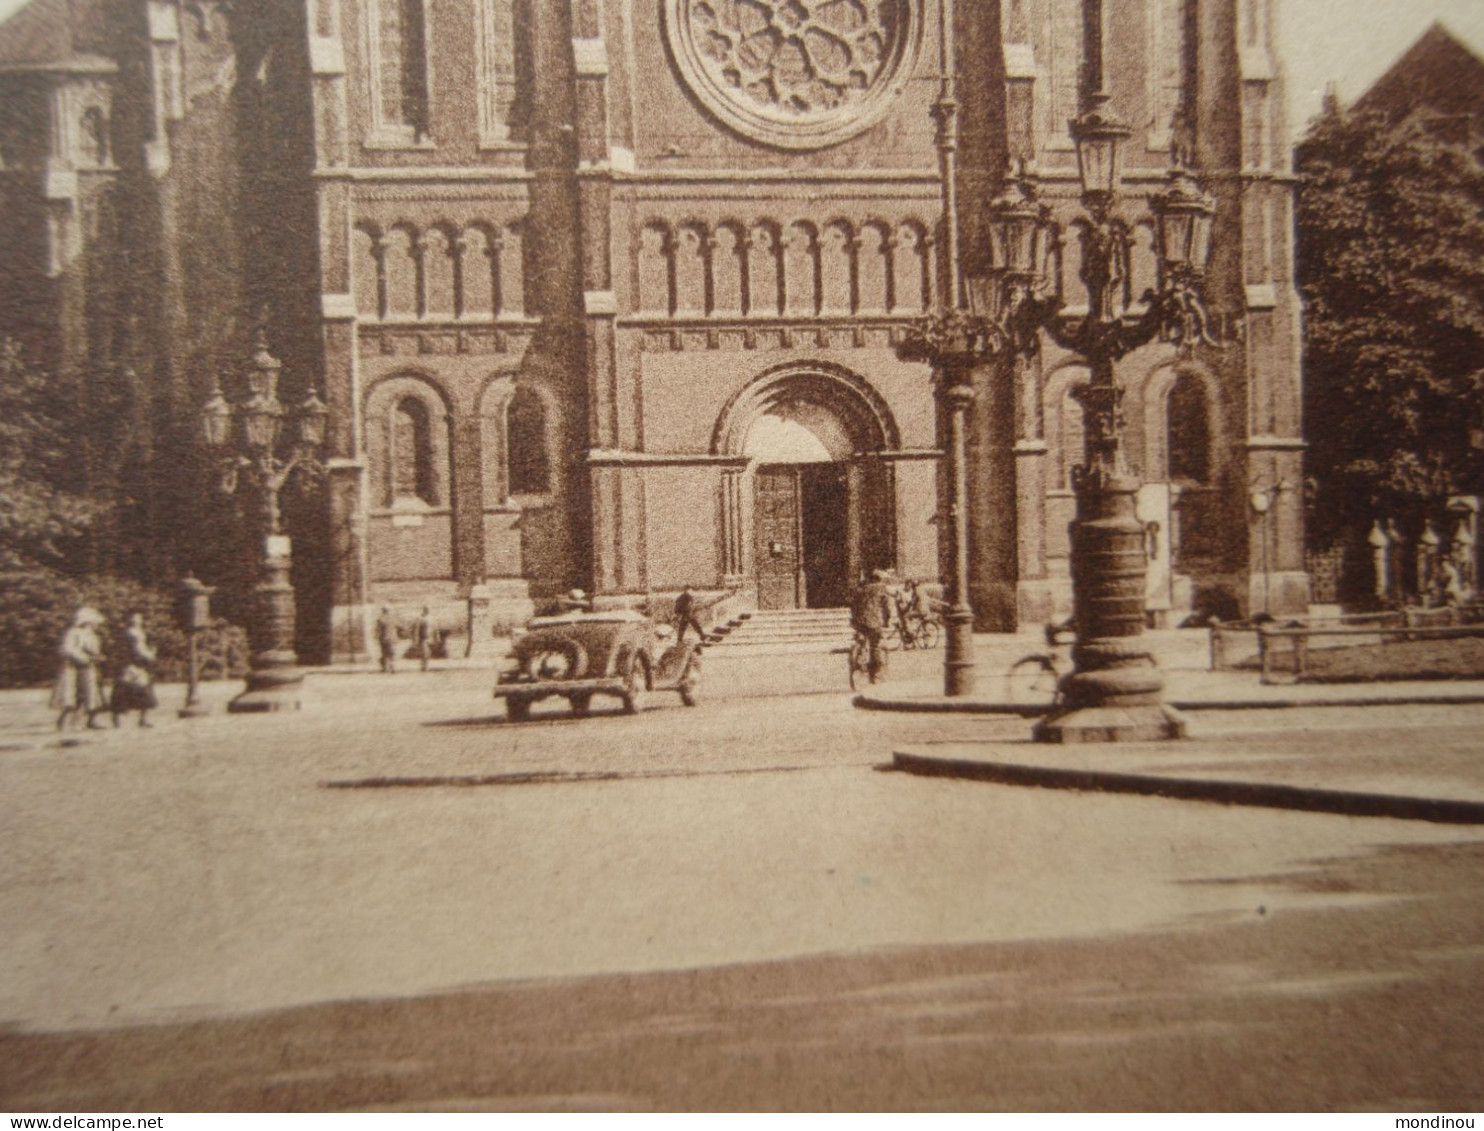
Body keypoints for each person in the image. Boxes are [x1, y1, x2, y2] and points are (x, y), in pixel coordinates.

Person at [52, 607, 106, 731]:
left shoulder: (92, 635)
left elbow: (94, 651)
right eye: (94, 622)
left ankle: (91, 720)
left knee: (92, 695)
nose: (97, 624)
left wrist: (96, 658)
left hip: (88, 668)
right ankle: (64, 722)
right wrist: (85, 657)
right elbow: (67, 649)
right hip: (74, 668)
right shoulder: (73, 633)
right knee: (74, 696)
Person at [110, 611, 159, 728]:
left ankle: (142, 718)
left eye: (138, 618)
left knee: (140, 689)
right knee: (129, 689)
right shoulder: (131, 633)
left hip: (136, 664)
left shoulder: (138, 632)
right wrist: (150, 655)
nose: (137, 620)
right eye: (134, 618)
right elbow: (138, 649)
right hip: (131, 664)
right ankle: (118, 718)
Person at [850, 570, 893, 684]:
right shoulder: (881, 589)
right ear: (879, 579)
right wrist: (887, 619)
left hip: (859, 621)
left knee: (862, 640)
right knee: (875, 646)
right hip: (874, 622)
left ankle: (858, 659)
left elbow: (853, 605)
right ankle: (875, 675)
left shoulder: (861, 589)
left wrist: (854, 620)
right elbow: (887, 607)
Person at [376, 606, 398, 674]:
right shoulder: (393, 619)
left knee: (384, 653)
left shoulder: (380, 619)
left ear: (383, 611)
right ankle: (392, 667)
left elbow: (378, 630)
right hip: (392, 638)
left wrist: (377, 637)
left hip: (384, 639)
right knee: (391, 653)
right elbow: (397, 627)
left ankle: (384, 668)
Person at [413, 606, 435, 672]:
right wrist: (416, 639)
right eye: (426, 609)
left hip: (430, 638)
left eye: (428, 609)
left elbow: (434, 628)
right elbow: (416, 629)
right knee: (425, 652)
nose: (428, 611)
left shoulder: (431, 618)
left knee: (428, 653)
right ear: (424, 610)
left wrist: (436, 637)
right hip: (423, 638)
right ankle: (424, 666)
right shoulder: (420, 618)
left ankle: (424, 664)